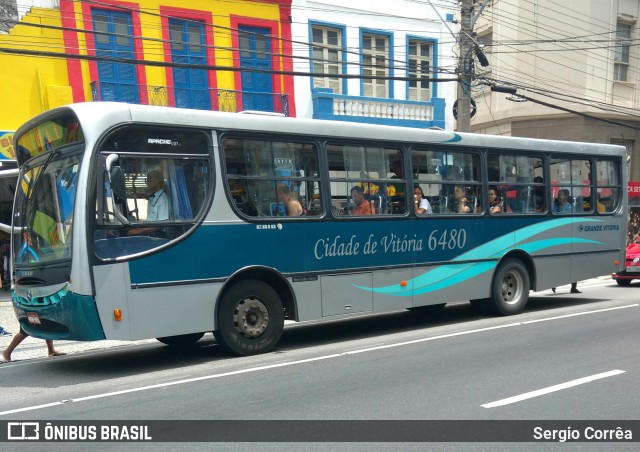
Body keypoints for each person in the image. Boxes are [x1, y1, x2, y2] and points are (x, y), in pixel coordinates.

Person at [128, 169, 170, 237]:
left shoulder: (163, 200)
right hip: (149, 230)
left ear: (157, 182)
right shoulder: (154, 195)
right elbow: (150, 198)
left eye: (149, 180)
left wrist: (140, 230)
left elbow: (161, 225)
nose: (147, 183)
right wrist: (140, 194)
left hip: (157, 235)